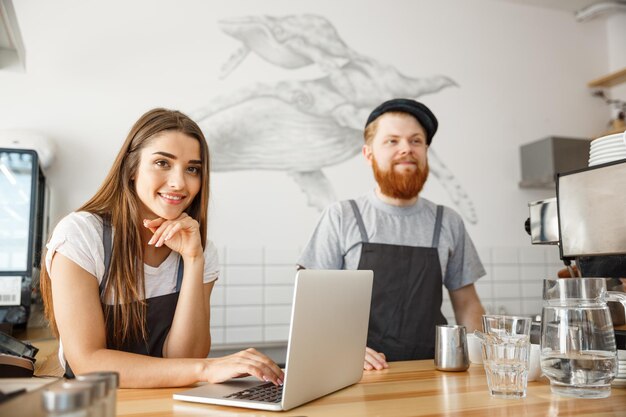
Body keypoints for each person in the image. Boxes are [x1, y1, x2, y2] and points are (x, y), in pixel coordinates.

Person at [40, 108, 283, 388]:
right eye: (162, 163)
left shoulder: (201, 250)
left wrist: (193, 260)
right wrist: (207, 368)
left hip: (166, 401)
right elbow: (88, 363)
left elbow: (184, 357)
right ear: (131, 168)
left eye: (192, 169)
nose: (179, 183)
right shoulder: (82, 235)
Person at [297, 98, 486, 371]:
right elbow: (310, 305)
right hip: (357, 374)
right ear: (368, 153)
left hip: (431, 373)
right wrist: (342, 346)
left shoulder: (448, 222)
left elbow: (468, 303)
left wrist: (481, 362)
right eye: (392, 141)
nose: (406, 149)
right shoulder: (341, 216)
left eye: (416, 141)